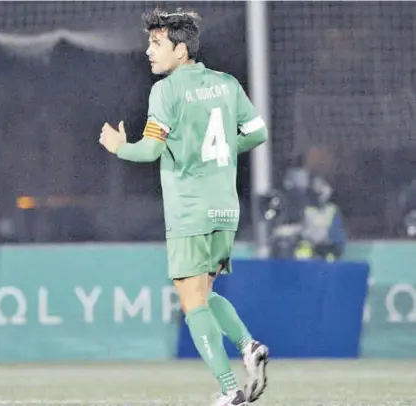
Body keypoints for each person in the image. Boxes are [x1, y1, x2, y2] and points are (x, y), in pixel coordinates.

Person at [99, 8, 269, 406]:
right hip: (225, 209)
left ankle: (230, 389)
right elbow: (257, 133)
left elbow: (151, 150)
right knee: (204, 295)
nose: (147, 51)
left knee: (192, 303)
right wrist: (222, 154)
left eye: (156, 44)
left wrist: (117, 146)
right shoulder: (227, 84)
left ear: (180, 49)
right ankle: (248, 346)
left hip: (189, 210)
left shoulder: (167, 90)